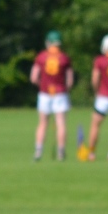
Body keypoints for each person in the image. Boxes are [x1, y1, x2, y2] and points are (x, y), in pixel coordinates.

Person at [30, 30, 74, 161]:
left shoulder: (41, 57)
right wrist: (65, 90)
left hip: (44, 93)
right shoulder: (65, 58)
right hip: (60, 93)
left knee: (43, 123)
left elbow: (33, 77)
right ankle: (61, 152)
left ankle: (38, 152)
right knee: (61, 123)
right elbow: (70, 81)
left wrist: (41, 85)